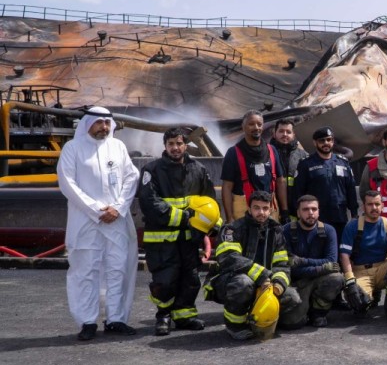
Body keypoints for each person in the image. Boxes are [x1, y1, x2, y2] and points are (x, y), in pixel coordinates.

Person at [57, 107, 140, 340]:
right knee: (86, 270)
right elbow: (67, 183)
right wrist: (96, 209)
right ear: (87, 124)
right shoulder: (72, 149)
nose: (104, 127)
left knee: (118, 269)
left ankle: (116, 319)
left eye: (107, 123)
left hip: (116, 220)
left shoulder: (118, 147)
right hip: (85, 222)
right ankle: (87, 321)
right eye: (99, 123)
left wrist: (119, 207)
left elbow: (131, 177)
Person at [138, 127, 219, 335]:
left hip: (190, 240)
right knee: (165, 280)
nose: (175, 148)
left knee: (190, 279)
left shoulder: (198, 169)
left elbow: (210, 202)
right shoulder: (152, 170)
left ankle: (185, 316)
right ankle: (163, 316)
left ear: (186, 145)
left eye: (179, 143)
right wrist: (185, 218)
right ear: (165, 146)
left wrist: (213, 227)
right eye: (171, 144)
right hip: (162, 240)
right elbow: (149, 203)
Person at [208, 190, 299, 341]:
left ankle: (260, 319)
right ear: (249, 209)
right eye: (256, 208)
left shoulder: (276, 231)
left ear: (271, 209)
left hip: (266, 284)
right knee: (244, 283)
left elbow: (281, 264)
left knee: (292, 297)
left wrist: (278, 284)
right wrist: (262, 275)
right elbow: (229, 258)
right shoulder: (233, 229)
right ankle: (235, 325)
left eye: (265, 208)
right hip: (230, 281)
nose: (261, 212)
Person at [338, 189, 387, 321]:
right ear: (363, 206)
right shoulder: (352, 226)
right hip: (361, 271)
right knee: (358, 303)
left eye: (377, 204)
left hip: (383, 268)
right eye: (370, 204)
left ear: (382, 205)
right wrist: (349, 280)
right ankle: (371, 296)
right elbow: (344, 255)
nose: (374, 208)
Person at [281, 195, 344, 328]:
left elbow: (331, 262)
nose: (310, 213)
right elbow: (289, 267)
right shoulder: (286, 231)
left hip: (318, 280)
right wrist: (321, 268)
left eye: (314, 209)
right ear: (298, 212)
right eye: (305, 209)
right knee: (292, 323)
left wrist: (301, 261)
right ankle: (303, 310)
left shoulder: (329, 230)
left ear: (318, 211)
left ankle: (318, 313)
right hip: (295, 282)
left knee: (336, 278)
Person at [221, 111, 287, 223]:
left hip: (269, 208)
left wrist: (285, 211)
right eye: (251, 124)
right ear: (243, 126)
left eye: (259, 124)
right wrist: (229, 217)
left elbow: (280, 182)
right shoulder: (233, 153)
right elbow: (227, 187)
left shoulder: (272, 150)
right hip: (243, 209)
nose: (256, 127)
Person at [293, 127, 358, 229]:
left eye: (329, 140)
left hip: (339, 216)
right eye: (322, 140)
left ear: (333, 141)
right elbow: (298, 192)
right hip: (315, 218)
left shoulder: (343, 162)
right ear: (315, 143)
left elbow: (351, 190)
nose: (326, 143)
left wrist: (354, 214)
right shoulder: (306, 164)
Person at [270, 118, 307, 217]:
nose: (285, 134)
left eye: (288, 132)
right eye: (281, 131)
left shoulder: (304, 156)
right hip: (272, 207)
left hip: (297, 208)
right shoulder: (267, 154)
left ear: (294, 135)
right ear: (274, 133)